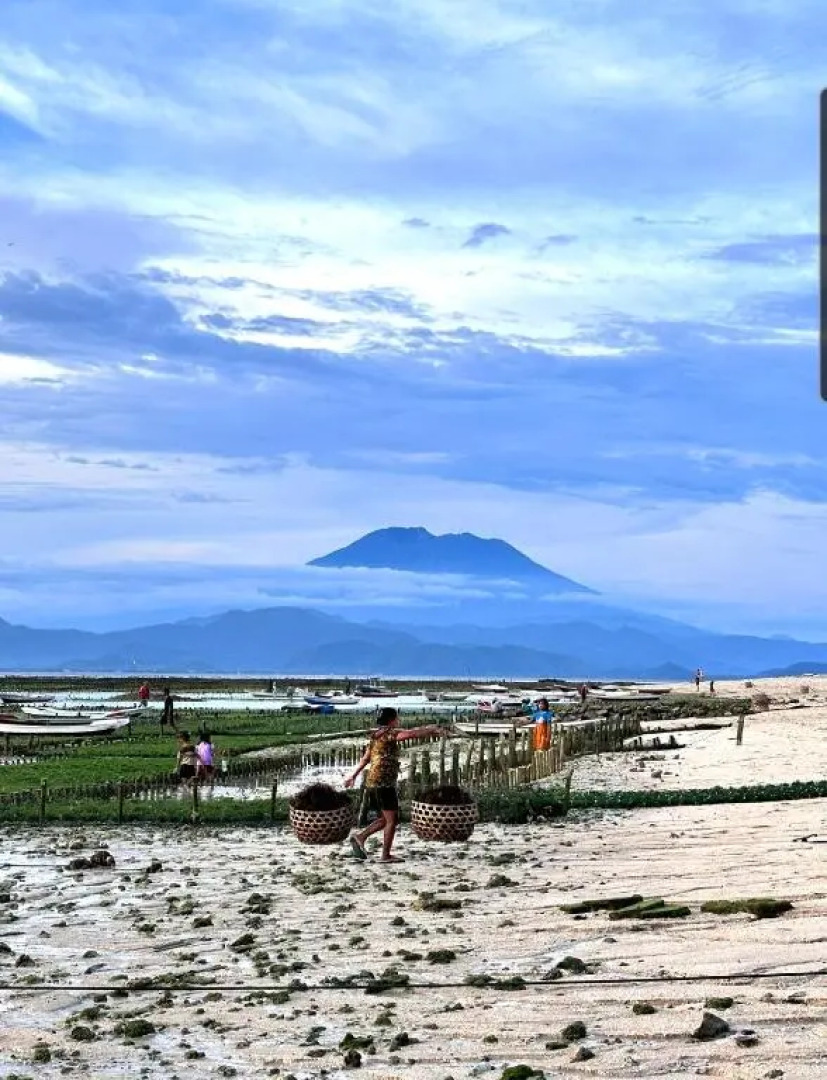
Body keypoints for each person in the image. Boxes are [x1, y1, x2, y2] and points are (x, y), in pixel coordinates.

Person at [345, 708, 449, 864]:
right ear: (392, 720)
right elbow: (411, 734)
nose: (398, 721)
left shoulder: (375, 737)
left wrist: (353, 776)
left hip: (373, 782)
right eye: (397, 718)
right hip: (384, 782)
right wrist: (432, 730)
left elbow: (366, 759)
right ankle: (385, 855)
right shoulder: (390, 733)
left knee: (385, 818)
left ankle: (360, 837)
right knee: (392, 820)